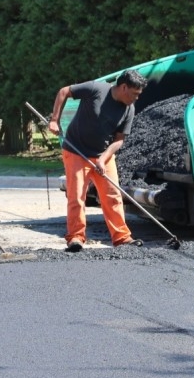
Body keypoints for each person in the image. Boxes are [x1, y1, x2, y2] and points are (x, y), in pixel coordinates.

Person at [48, 69, 148, 252]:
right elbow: (64, 91)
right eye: (135, 94)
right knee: (77, 196)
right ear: (124, 87)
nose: (136, 98)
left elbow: (119, 140)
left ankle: (122, 238)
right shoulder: (96, 89)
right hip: (76, 150)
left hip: (102, 153)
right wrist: (55, 120)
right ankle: (76, 238)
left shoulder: (129, 109)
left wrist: (102, 159)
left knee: (112, 196)